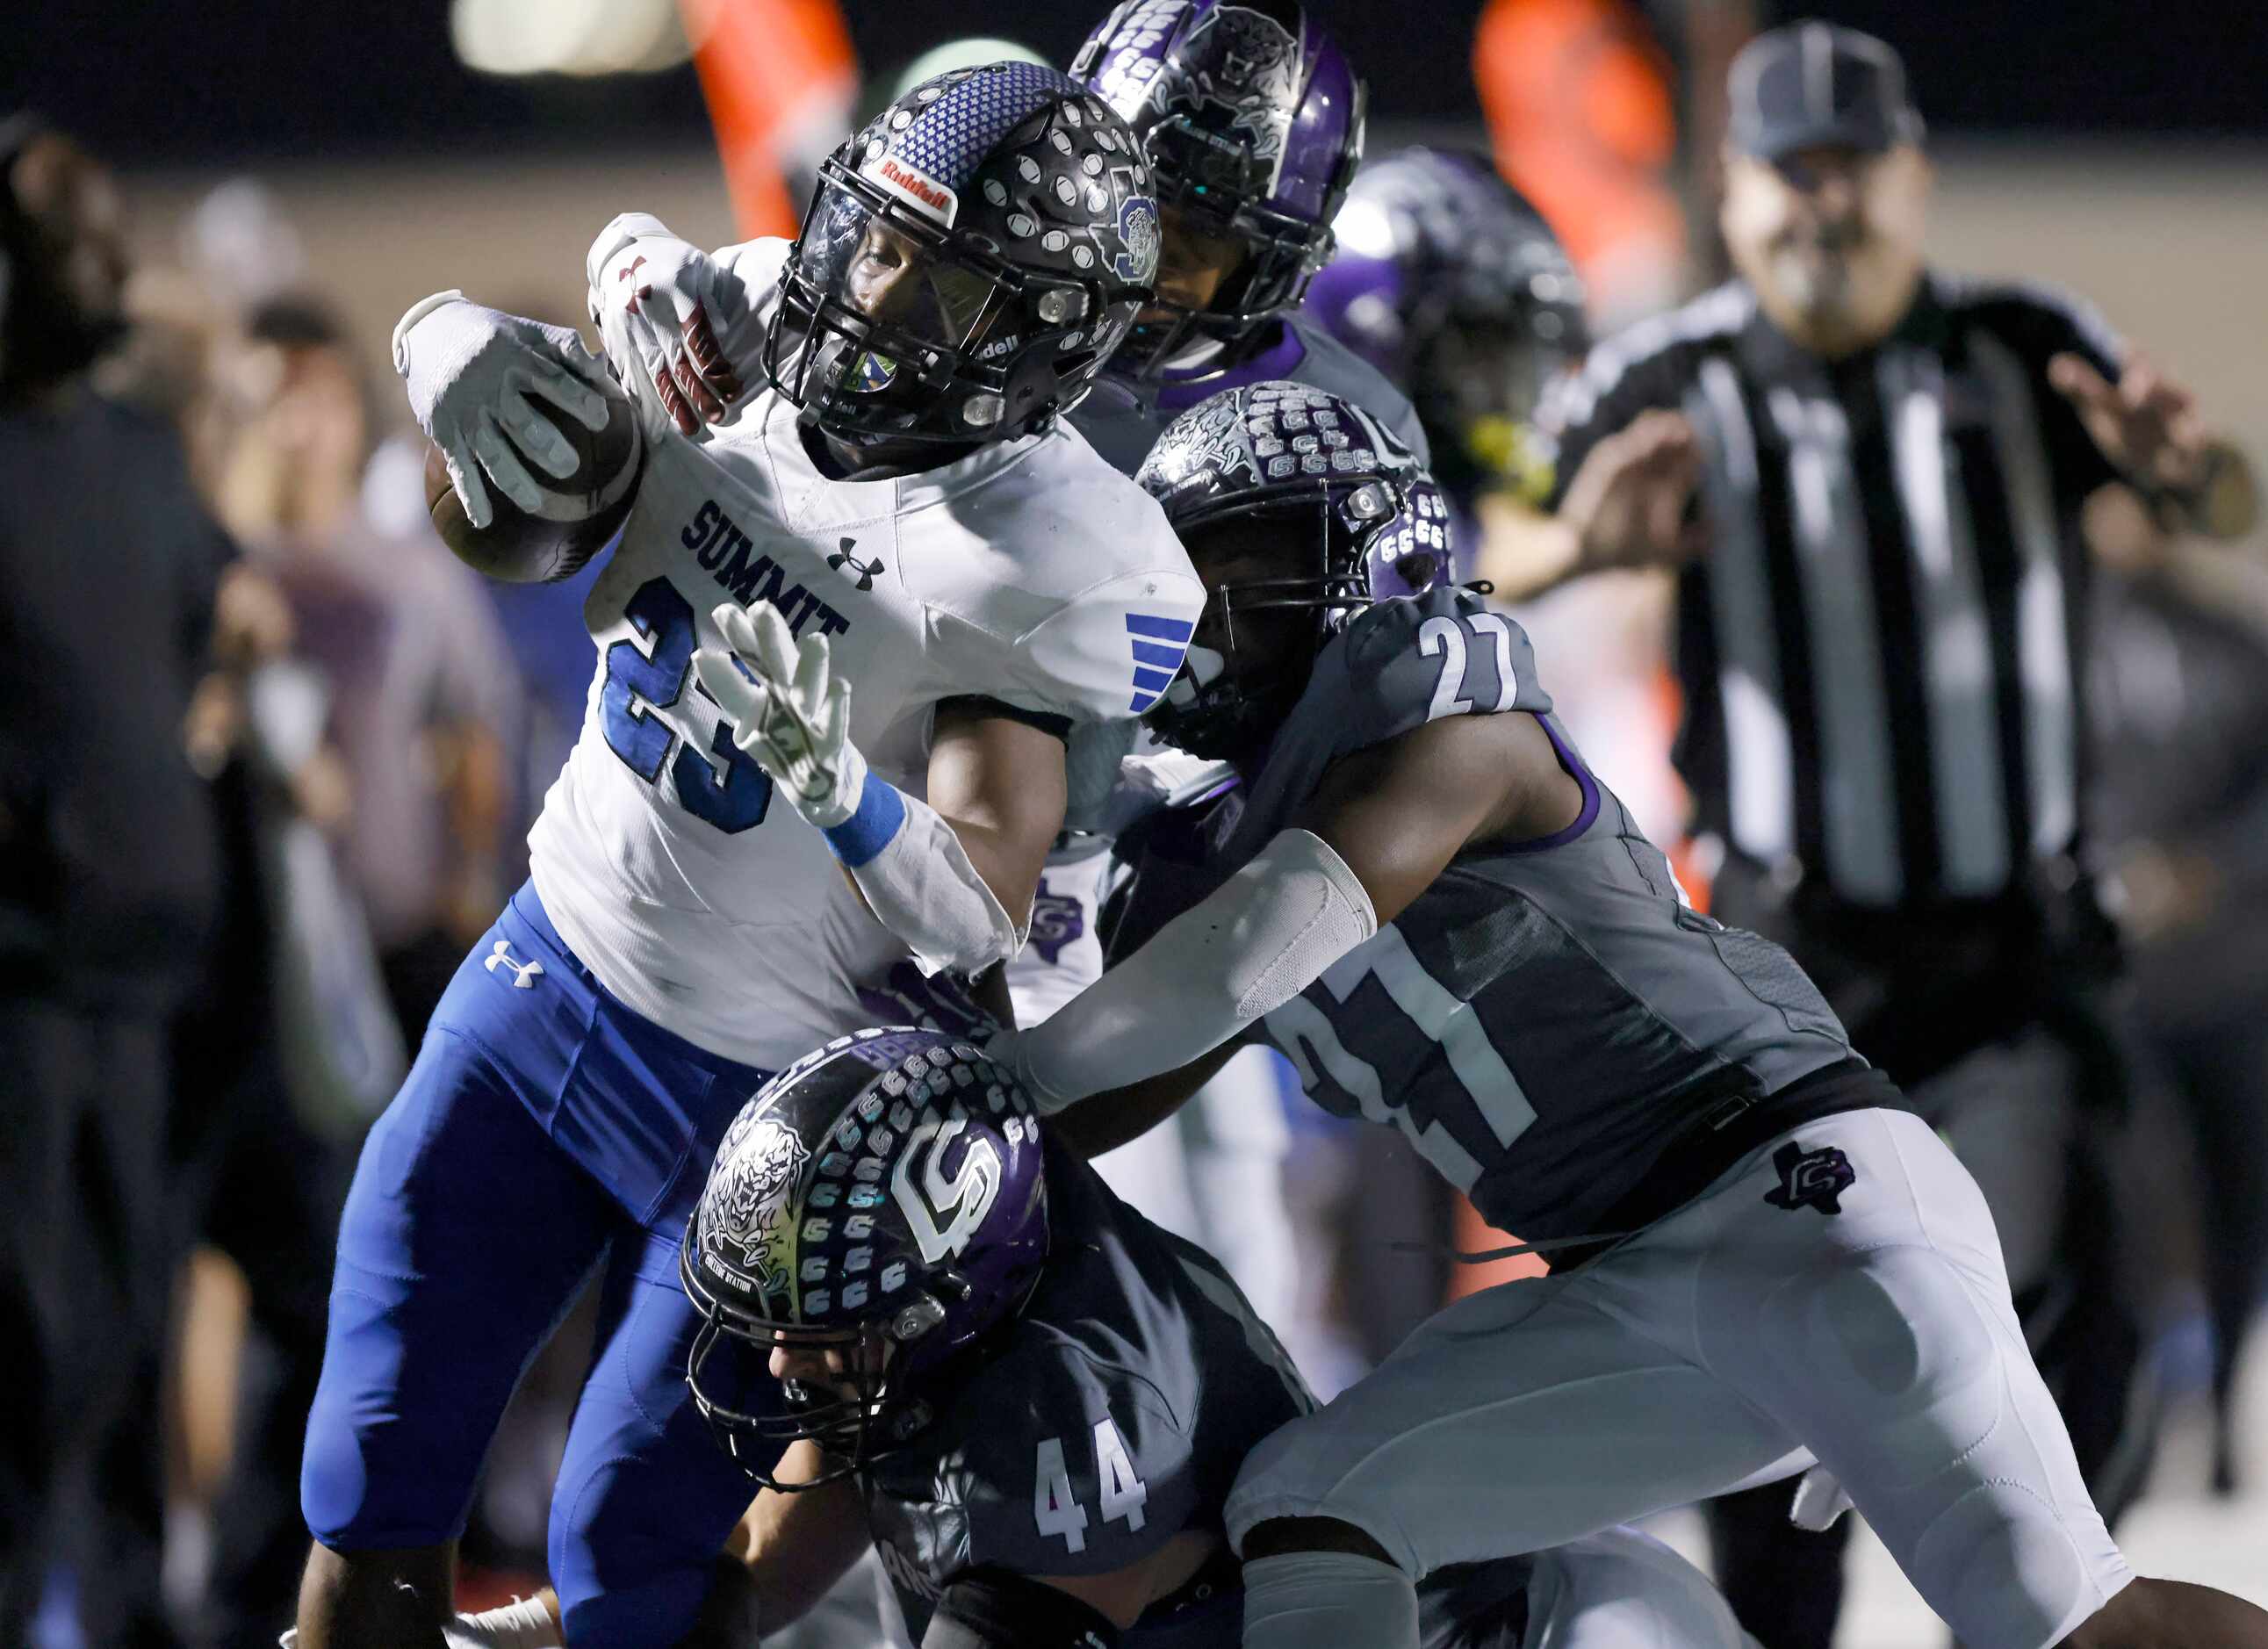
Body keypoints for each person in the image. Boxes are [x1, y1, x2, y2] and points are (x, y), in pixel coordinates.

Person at [976, 378, 2268, 1649]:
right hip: (1627, 1283)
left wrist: (991, 1081)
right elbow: (1100, 1090)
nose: (1205, 608)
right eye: (1187, 569)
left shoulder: (1449, 705)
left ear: (1366, 561)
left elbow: (1255, 949)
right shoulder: (1200, 844)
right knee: (1321, 1502)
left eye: (1245, 559)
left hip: (1804, 1205)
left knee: (2062, 1619)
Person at [295, 64, 1202, 1649]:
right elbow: (510, 483)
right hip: (542, 973)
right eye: (884, 238)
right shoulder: (754, 317)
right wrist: (446, 344)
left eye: (953, 279)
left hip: (757, 1099)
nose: (882, 289)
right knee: (374, 1447)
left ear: (1044, 341)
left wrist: (840, 785)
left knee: (622, 1552)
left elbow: (985, 900)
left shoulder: (1047, 551)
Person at [1494, 23, 2258, 1642]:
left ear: (1913, 180)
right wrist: (1579, 542)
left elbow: (2211, 492)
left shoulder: (2018, 340)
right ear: (1735, 187)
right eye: (1793, 174)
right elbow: (1487, 545)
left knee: (2074, 1309)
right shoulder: (1670, 376)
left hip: (2013, 945)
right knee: (1783, 1335)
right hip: (1790, 963)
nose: (1824, 208)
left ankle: (2058, 1601)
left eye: (1855, 170)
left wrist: (2195, 487)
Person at [595, 0, 1416, 1341]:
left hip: (1161, 888)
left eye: (1199, 238)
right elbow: (768, 312)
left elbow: (1353, 701)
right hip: (899, 866)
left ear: (1272, 265)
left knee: (1209, 1278)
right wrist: (638, 269)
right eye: (1138, 197)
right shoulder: (970, 296)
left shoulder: (1329, 427)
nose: (1149, 261)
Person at [427, 1027, 1766, 1649]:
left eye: (820, 1326)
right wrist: (572, 1632)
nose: (782, 1365)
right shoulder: (955, 1318)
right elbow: (762, 1577)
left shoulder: (1077, 1411)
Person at [0, 112, 234, 1649]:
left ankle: (142, 1610)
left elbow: (212, 618)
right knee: (26, 1342)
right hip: (16, 985)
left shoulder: (142, 457)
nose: (107, 264)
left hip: (147, 981)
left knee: (127, 1328)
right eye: (65, 237)